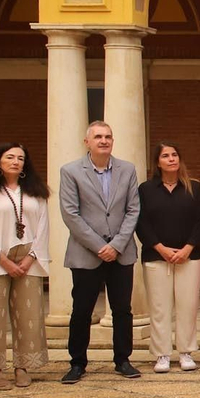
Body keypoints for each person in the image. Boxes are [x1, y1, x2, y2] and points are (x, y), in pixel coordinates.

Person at [59, 120, 141, 383]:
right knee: (81, 310)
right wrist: (99, 246)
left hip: (121, 252)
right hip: (86, 254)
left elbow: (133, 210)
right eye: (98, 137)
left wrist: (116, 245)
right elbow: (71, 214)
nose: (104, 141)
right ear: (87, 142)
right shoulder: (70, 171)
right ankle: (77, 363)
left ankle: (123, 360)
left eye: (108, 136)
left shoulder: (127, 170)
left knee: (122, 310)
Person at [0, 143, 50, 389]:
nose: (16, 161)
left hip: (28, 258)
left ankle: (22, 367)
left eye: (20, 158)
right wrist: (4, 260)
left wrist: (28, 259)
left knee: (29, 315)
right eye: (10, 157)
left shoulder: (35, 191)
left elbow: (44, 228)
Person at [137, 142, 200, 374]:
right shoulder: (146, 190)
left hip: (190, 257)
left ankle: (186, 351)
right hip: (157, 257)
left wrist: (187, 248)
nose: (171, 159)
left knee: (188, 306)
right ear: (157, 162)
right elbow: (142, 222)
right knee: (160, 307)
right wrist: (161, 248)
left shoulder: (194, 188)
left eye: (175, 155)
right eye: (165, 156)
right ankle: (162, 354)